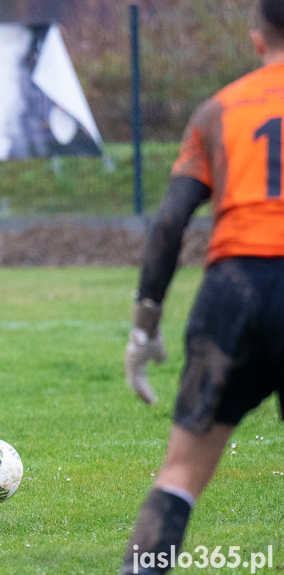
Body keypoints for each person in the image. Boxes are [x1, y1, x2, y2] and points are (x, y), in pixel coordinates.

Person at [121, 2, 284, 572]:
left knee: (183, 472)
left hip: (232, 291)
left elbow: (170, 222)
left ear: (258, 40)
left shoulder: (219, 109)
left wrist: (145, 326)